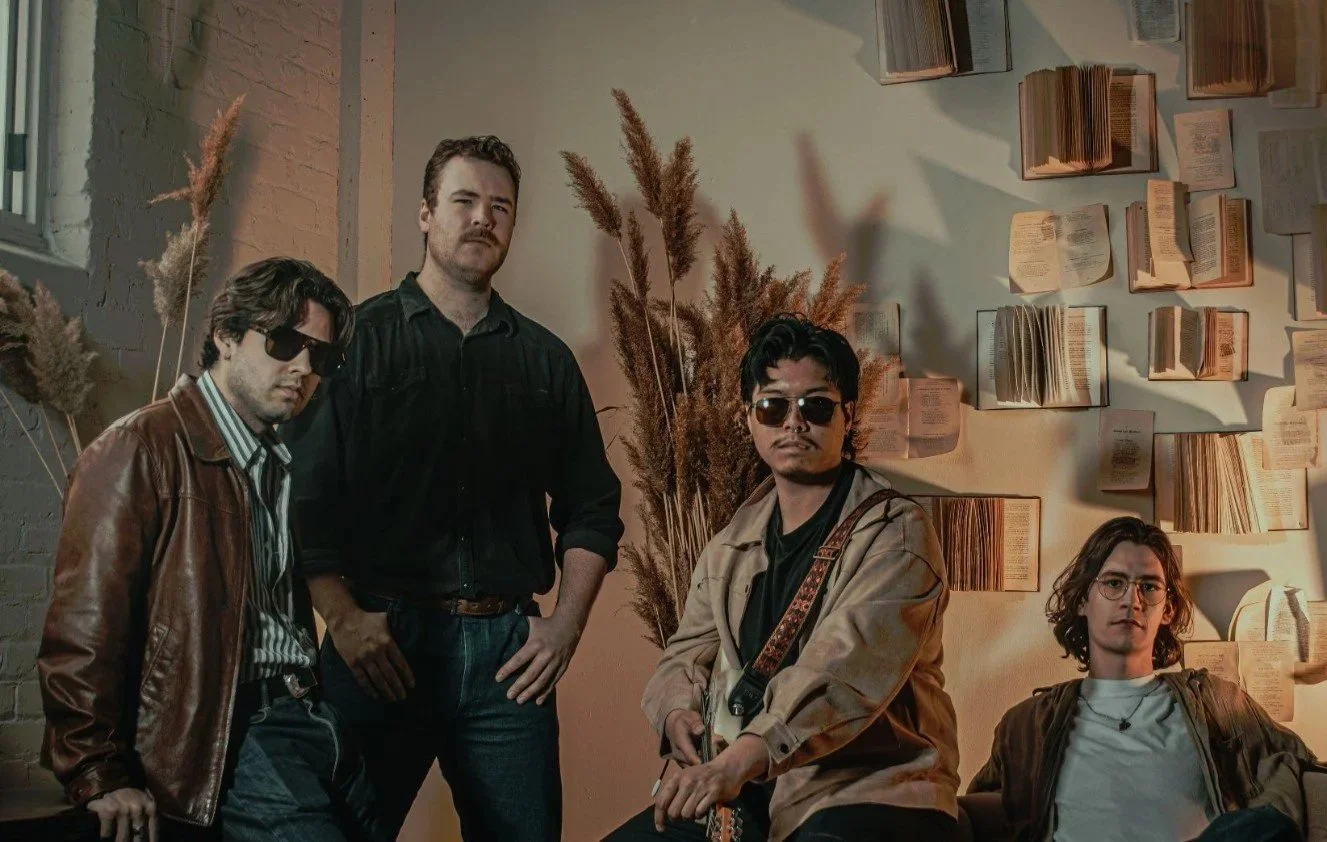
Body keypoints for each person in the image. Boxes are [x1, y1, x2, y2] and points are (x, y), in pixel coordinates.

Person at [282, 134, 624, 841]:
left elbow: (592, 509)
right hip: (382, 645)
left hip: (508, 659)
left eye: (500, 207)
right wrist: (342, 618)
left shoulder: (545, 360)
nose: (482, 219)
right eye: (464, 201)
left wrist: (564, 627)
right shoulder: (357, 343)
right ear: (425, 215)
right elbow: (304, 499)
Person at [38, 258, 385, 841]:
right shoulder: (139, 448)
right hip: (236, 728)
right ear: (226, 336)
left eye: (319, 357)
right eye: (283, 342)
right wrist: (96, 771)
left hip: (313, 719)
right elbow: (81, 631)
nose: (303, 368)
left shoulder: (275, 462)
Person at [605, 314, 961, 842]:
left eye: (815, 406)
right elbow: (687, 650)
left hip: (872, 788)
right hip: (749, 789)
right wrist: (676, 712)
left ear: (848, 415)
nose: (793, 423)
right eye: (773, 406)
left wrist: (737, 763)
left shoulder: (897, 534)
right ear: (749, 418)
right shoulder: (733, 541)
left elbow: (841, 672)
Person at [968, 516, 1322, 842]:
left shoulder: (1215, 702)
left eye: (1149, 587)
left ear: (1167, 610)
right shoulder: (1029, 723)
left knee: (1265, 826)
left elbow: (1298, 762)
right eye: (1114, 582)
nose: (1131, 600)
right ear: (1082, 601)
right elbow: (981, 807)